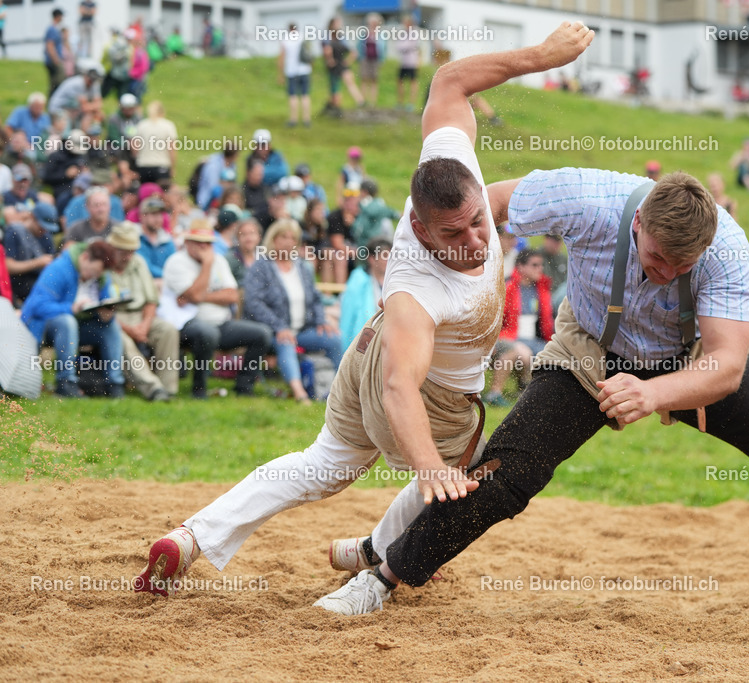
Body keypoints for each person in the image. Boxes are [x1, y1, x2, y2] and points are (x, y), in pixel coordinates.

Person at [325, 165, 749, 614]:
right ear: (641, 221)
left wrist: (655, 394)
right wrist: (431, 278)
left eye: (681, 268)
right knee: (510, 470)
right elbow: (483, 209)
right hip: (591, 347)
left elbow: (728, 365)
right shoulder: (586, 197)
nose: (664, 274)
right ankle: (384, 576)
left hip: (690, 360)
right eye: (655, 259)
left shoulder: (728, 250)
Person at [132, 22, 596, 607]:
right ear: (419, 229)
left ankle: (191, 537)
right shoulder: (416, 289)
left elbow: (449, 80)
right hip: (417, 389)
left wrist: (542, 57)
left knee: (321, 464)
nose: (479, 241)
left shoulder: (449, 164)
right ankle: (377, 556)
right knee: (474, 462)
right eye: (456, 234)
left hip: (366, 356)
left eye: (481, 220)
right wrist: (428, 468)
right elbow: (401, 387)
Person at [157, 219, 272, 399]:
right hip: (186, 324)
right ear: (188, 242)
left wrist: (199, 295)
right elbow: (195, 295)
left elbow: (232, 295)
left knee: (262, 334)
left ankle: (244, 387)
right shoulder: (177, 262)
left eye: (208, 243)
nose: (205, 247)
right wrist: (207, 265)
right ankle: (199, 389)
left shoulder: (219, 260)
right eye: (199, 242)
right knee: (207, 333)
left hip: (221, 323)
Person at [242, 219, 342, 403]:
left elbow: (315, 298)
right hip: (272, 331)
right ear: (273, 239)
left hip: (303, 329)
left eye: (293, 238)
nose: (288, 242)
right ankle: (300, 394)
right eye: (283, 237)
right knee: (286, 341)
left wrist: (321, 320)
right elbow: (253, 303)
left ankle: (339, 392)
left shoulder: (302, 267)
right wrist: (279, 326)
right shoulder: (261, 267)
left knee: (334, 339)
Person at [21, 240, 124, 398]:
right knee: (67, 321)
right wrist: (70, 308)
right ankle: (66, 383)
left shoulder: (102, 276)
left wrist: (107, 316)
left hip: (80, 326)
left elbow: (105, 302)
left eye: (99, 274)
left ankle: (114, 385)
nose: (95, 276)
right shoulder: (59, 269)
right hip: (45, 326)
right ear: (84, 258)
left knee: (112, 327)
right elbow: (37, 307)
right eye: (93, 272)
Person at [107, 221, 178, 401]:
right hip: (113, 318)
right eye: (123, 251)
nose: (127, 256)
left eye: (131, 251)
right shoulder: (103, 267)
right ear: (112, 248)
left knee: (168, 330)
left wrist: (144, 325)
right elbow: (103, 309)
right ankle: (152, 388)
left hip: (141, 315)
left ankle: (168, 388)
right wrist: (130, 330)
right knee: (122, 340)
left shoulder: (138, 262)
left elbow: (151, 300)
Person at [484, 248, 554, 407]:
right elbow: (493, 319)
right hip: (507, 337)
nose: (540, 269)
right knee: (523, 353)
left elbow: (547, 323)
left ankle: (532, 393)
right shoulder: (507, 286)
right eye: (535, 265)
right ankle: (495, 394)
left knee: (555, 354)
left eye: (541, 265)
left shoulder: (542, 288)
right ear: (521, 267)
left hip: (534, 339)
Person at [338, 236, 390, 350]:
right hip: (363, 340)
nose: (389, 260)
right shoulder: (358, 280)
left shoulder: (393, 281)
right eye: (385, 256)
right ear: (372, 259)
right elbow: (348, 317)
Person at [4, 203, 60, 307]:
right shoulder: (14, 232)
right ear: (32, 217)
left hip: (40, 283)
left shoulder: (46, 236)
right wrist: (37, 263)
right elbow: (8, 266)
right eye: (41, 226)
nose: (44, 230)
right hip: (17, 285)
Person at [322, 16, 364, 117]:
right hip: (337, 65)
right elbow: (327, 51)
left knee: (344, 84)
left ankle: (359, 102)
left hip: (339, 64)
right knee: (336, 88)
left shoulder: (339, 37)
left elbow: (352, 52)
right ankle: (336, 106)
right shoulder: (329, 37)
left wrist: (346, 61)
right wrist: (330, 60)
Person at [133, 100, 177, 187]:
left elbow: (135, 148)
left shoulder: (141, 125)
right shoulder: (168, 126)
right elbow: (172, 149)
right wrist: (173, 167)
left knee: (144, 193)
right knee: (162, 194)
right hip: (161, 166)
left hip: (144, 166)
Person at [279, 23, 313, 128]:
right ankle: (306, 120)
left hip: (291, 71)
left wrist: (280, 74)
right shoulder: (303, 37)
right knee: (305, 95)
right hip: (305, 70)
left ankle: (293, 120)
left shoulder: (286, 40)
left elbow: (282, 56)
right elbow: (309, 53)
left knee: (292, 96)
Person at [136, 195, 174, 280]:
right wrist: (168, 276)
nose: (158, 219)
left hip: (165, 285)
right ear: (143, 216)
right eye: (154, 214)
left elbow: (174, 264)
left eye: (160, 214)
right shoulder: (135, 237)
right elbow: (144, 267)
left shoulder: (167, 240)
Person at [357, 13, 385, 108]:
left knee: (374, 80)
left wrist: (382, 59)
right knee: (364, 79)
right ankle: (363, 101)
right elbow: (359, 46)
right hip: (365, 58)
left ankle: (373, 102)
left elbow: (384, 48)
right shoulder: (364, 33)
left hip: (376, 59)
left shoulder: (380, 34)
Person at [395, 15, 421, 112]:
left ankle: (411, 103)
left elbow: (410, 45)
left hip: (412, 62)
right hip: (403, 62)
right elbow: (399, 46)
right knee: (400, 81)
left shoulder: (414, 33)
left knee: (413, 82)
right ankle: (400, 102)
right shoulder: (403, 33)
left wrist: (404, 46)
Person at [226, 217, 261, 285]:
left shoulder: (264, 257)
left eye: (252, 233)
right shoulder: (229, 259)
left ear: (259, 237)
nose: (248, 238)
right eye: (243, 234)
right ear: (237, 238)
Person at [541, 233, 568, 312]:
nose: (556, 244)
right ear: (546, 240)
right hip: (544, 295)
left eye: (558, 241)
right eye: (553, 240)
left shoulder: (563, 258)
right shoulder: (537, 256)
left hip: (560, 295)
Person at [44, 9, 67, 95]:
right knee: (58, 83)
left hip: (54, 60)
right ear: (58, 16)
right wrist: (56, 60)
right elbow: (50, 45)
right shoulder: (52, 29)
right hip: (54, 61)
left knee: (55, 83)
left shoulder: (53, 28)